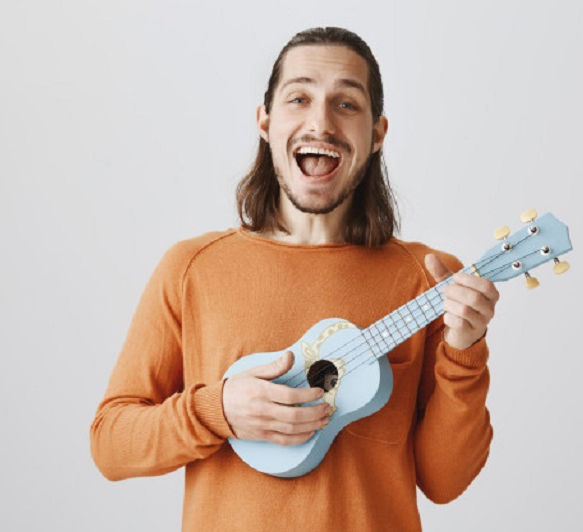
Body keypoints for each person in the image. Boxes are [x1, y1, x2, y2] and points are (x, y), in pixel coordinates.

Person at [90, 26, 499, 531]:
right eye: (299, 98)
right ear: (265, 122)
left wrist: (466, 349)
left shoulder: (430, 279)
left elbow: (445, 481)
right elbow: (110, 443)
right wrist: (217, 410)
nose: (320, 122)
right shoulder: (192, 268)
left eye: (346, 104)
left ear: (376, 134)